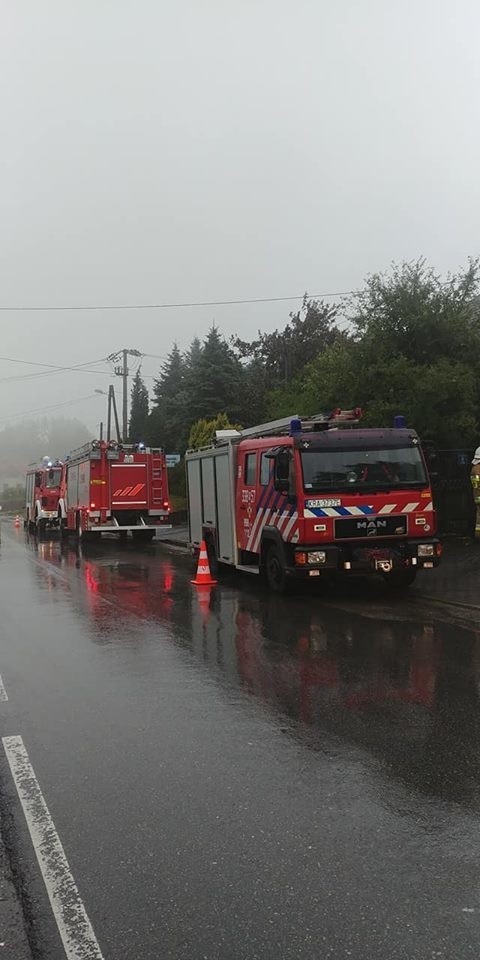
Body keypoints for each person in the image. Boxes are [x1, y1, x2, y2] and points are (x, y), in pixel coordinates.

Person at [470, 447, 480, 538]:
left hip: (477, 496)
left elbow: (476, 485)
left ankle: (478, 535)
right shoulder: (478, 469)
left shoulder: (474, 469)